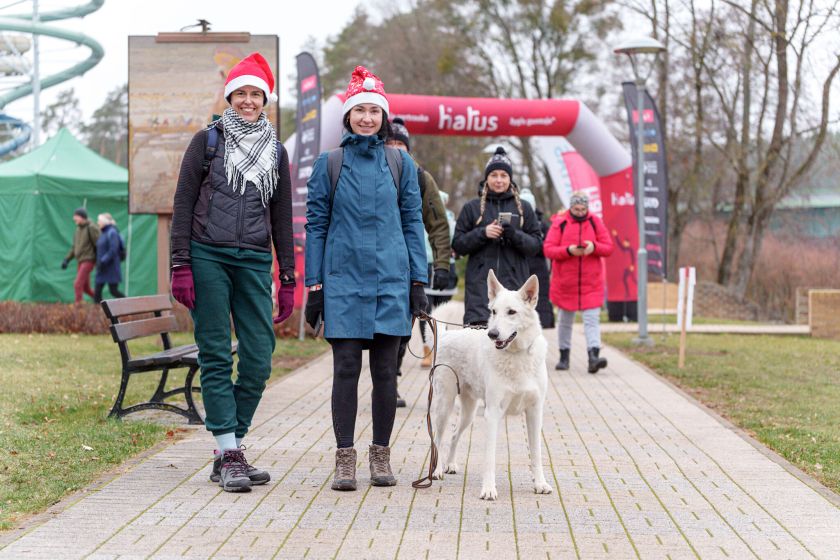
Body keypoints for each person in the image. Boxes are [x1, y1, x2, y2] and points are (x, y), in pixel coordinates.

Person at [170, 52, 295, 492]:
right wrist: (180, 264)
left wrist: (288, 277)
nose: (247, 101)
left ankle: (230, 450)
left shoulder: (276, 151)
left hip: (255, 260)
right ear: (229, 97)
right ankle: (228, 451)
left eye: (255, 94)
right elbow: (183, 204)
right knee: (217, 353)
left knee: (259, 357)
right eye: (240, 93)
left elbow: (282, 217)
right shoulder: (206, 142)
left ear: (265, 100)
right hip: (208, 256)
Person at [304, 66, 427, 491]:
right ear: (348, 116)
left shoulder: (400, 163)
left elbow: (413, 222)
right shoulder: (329, 164)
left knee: (386, 373)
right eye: (360, 111)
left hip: (391, 280)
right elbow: (316, 225)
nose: (367, 118)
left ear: (384, 117)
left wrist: (418, 281)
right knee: (345, 369)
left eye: (375, 111)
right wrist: (315, 285)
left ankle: (380, 455)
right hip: (343, 282)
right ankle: (344, 459)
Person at [386, 117, 451, 403]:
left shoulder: (421, 178)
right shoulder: (370, 171)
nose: (394, 148)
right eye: (389, 143)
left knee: (401, 330)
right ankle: (383, 380)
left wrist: (442, 265)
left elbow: (438, 224)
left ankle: (389, 382)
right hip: (369, 265)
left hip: (408, 267)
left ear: (408, 148)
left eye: (400, 144)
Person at [452, 146, 543, 326]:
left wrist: (514, 235)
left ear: (510, 179)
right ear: (487, 178)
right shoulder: (472, 207)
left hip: (515, 290)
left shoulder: (524, 208)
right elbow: (458, 244)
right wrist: (482, 233)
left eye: (504, 175)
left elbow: (536, 246)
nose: (499, 180)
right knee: (477, 335)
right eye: (494, 175)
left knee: (511, 340)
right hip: (480, 290)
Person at [543, 190, 614, 373]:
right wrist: (568, 251)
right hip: (566, 283)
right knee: (565, 321)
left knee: (592, 320)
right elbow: (548, 249)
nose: (580, 212)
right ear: (571, 207)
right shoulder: (560, 223)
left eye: (583, 209)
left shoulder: (595, 222)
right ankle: (564, 357)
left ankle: (593, 357)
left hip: (591, 283)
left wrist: (594, 247)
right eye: (577, 209)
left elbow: (608, 247)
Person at [518, 188, 555, 329]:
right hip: (520, 264)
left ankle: (545, 323)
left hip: (539, 265)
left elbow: (548, 245)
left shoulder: (542, 225)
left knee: (542, 296)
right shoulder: (516, 222)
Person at [61, 207, 99, 303]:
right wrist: (67, 259)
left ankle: (78, 308)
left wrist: (99, 260)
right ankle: (101, 302)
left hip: (89, 260)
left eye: (76, 216)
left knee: (77, 284)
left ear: (82, 217)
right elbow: (74, 247)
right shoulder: (77, 229)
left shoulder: (91, 228)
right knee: (86, 288)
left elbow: (99, 244)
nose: (74, 218)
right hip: (80, 261)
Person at [93, 213, 125, 303]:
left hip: (111, 267)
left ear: (104, 222)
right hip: (102, 267)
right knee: (97, 293)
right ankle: (99, 310)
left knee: (113, 291)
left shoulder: (112, 232)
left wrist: (103, 261)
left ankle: (130, 305)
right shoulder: (103, 233)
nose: (98, 222)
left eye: (99, 221)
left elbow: (113, 250)